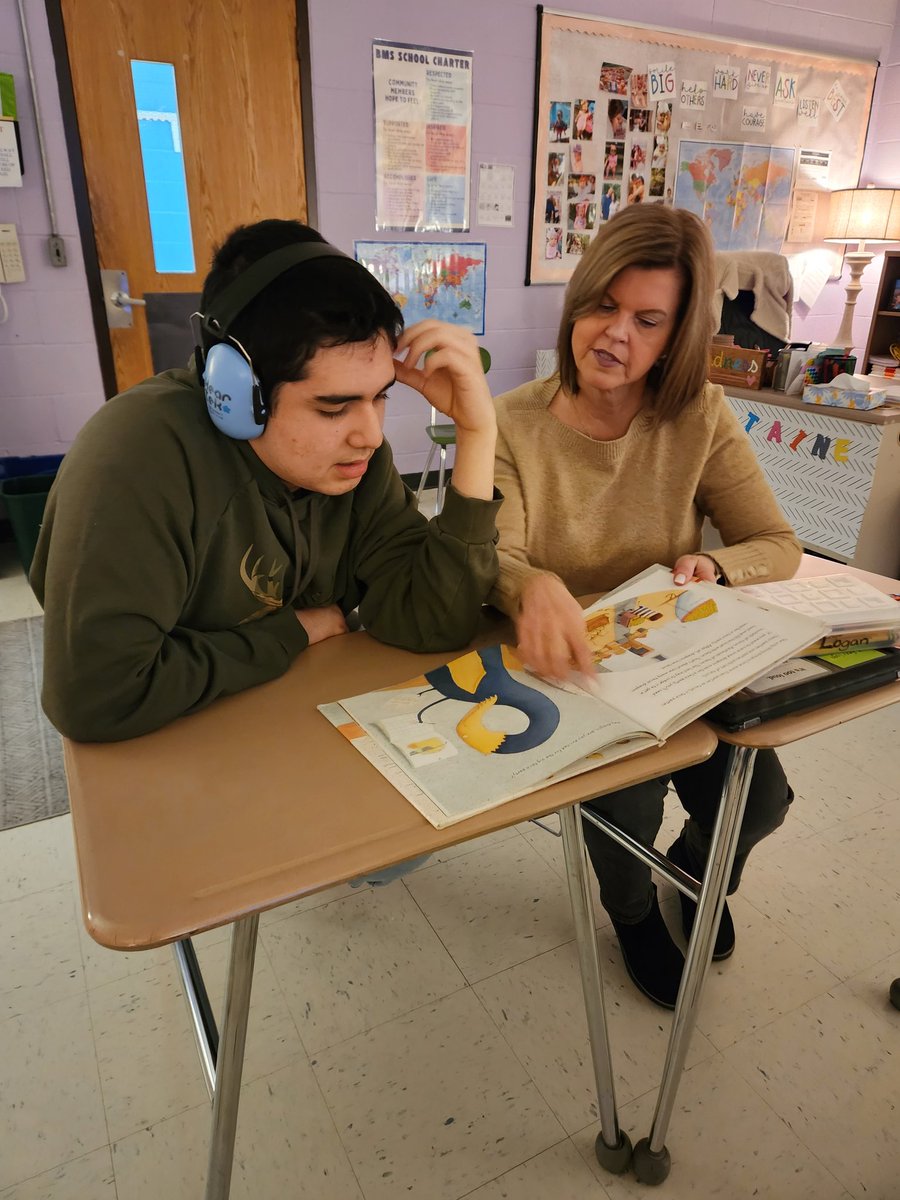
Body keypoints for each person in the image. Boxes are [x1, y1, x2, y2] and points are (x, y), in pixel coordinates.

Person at [488, 205, 801, 1009]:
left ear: (677, 335)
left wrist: (715, 565)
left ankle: (694, 873)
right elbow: (496, 556)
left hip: (682, 657)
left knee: (762, 800)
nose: (614, 334)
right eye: (601, 305)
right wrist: (533, 585)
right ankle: (630, 911)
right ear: (576, 302)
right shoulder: (513, 422)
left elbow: (776, 542)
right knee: (625, 805)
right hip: (580, 669)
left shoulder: (697, 414)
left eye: (647, 319)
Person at [31, 220, 502, 743]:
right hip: (173, 751)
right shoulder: (136, 457)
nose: (370, 435)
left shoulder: (355, 464)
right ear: (234, 393)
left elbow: (435, 620)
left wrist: (477, 434)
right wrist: (293, 632)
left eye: (381, 395)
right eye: (333, 408)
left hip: (284, 731)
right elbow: (97, 695)